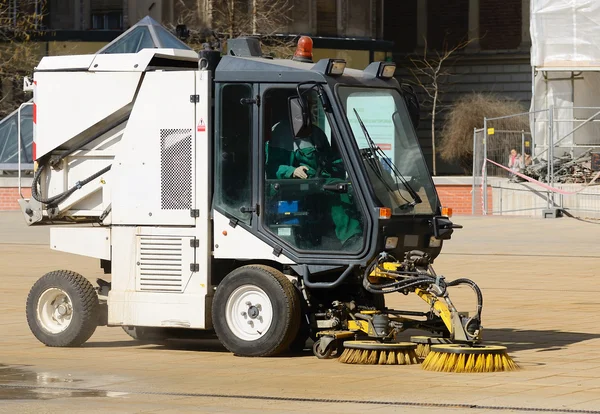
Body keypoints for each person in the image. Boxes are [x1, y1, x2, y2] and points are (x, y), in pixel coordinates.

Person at [265, 93, 362, 250]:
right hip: (291, 187)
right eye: (306, 105)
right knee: (337, 190)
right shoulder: (280, 132)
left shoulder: (316, 133)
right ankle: (351, 239)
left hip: (317, 182)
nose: (310, 109)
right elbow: (272, 167)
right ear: (298, 109)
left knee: (350, 187)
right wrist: (292, 170)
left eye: (311, 105)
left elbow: (330, 160)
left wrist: (350, 167)